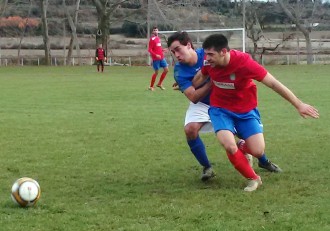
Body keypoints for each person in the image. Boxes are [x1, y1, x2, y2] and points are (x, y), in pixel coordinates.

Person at [194, 34, 319, 191]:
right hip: (220, 109)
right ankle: (253, 178)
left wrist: (299, 105)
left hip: (245, 111)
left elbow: (273, 83)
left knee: (257, 150)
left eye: (211, 54)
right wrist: (187, 85)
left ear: (224, 51)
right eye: (206, 54)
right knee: (228, 145)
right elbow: (200, 75)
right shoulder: (209, 63)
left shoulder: (244, 63)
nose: (207, 58)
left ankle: (249, 150)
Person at [148, 26, 169, 91]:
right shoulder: (152, 39)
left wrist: (163, 50)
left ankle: (159, 83)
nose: (156, 31)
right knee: (156, 73)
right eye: (154, 30)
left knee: (166, 70)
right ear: (152, 31)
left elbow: (157, 48)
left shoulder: (158, 38)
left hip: (162, 58)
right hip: (156, 59)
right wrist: (156, 55)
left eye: (156, 30)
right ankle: (151, 86)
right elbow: (150, 50)